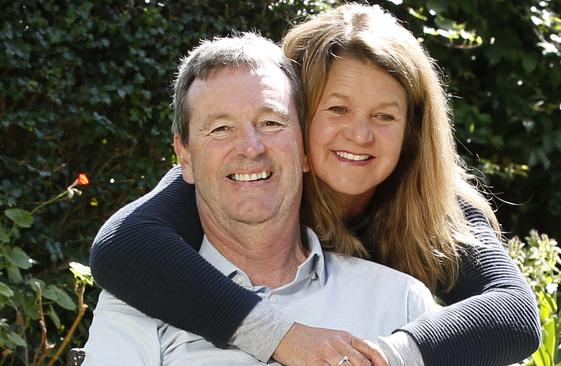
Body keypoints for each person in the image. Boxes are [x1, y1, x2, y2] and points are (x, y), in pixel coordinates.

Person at [90, 4, 541, 366]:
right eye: (337, 109)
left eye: (384, 116)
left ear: (411, 131)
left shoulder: (435, 214)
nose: (360, 135)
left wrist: (379, 356)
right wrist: (281, 337)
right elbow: (119, 247)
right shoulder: (244, 181)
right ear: (298, 117)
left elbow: (515, 314)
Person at [83, 33, 438, 365]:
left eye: (270, 122)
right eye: (221, 128)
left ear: (304, 148)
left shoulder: (399, 302)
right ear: (185, 156)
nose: (251, 148)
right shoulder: (139, 302)